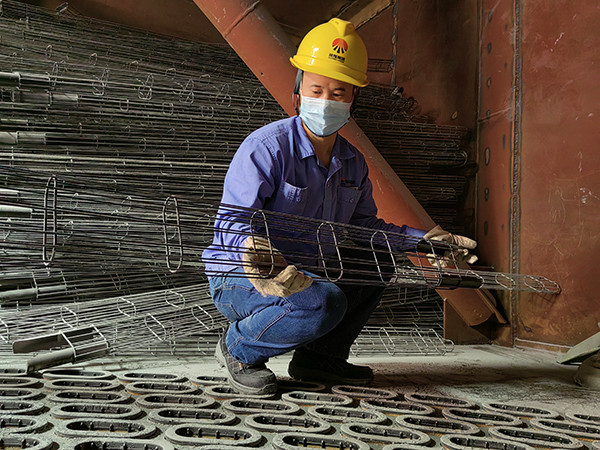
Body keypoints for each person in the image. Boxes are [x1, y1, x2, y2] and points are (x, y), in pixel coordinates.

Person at [202, 18, 476, 395]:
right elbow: (231, 221)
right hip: (243, 277)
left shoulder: (352, 162)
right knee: (323, 302)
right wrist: (252, 253)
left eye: (338, 92)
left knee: (376, 260)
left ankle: (320, 359)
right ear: (298, 94)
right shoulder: (266, 148)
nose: (326, 101)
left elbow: (366, 230)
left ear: (352, 100)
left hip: (310, 272)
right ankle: (239, 349)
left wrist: (425, 242)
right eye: (317, 89)